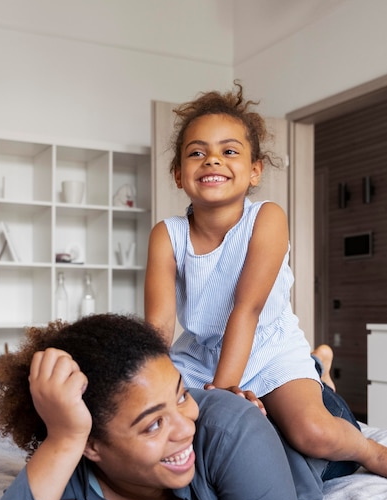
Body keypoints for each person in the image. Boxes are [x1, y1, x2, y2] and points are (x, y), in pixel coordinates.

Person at [0, 314, 358, 500]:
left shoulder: (229, 428)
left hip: (307, 456)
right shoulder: (68, 465)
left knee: (321, 417)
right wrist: (62, 441)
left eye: (182, 395)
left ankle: (319, 373)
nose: (185, 428)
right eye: (153, 423)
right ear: (90, 445)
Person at [144, 82, 387, 478]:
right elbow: (157, 327)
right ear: (178, 174)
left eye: (229, 151)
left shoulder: (267, 218)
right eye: (196, 153)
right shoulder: (166, 235)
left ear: (255, 170)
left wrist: (222, 398)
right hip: (200, 357)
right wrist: (149, 394)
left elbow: (248, 308)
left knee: (312, 433)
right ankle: (321, 366)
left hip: (268, 346)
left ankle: (370, 448)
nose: (212, 161)